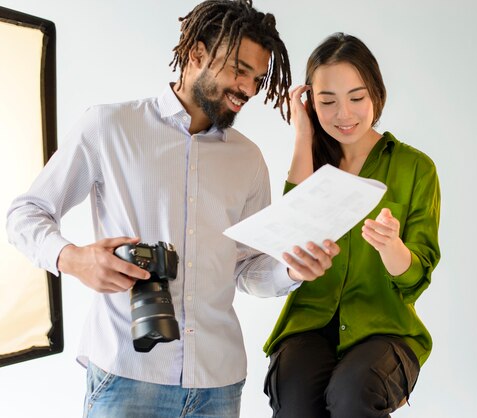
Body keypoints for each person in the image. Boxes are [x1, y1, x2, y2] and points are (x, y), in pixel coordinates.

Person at [5, 1, 339, 417]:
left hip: (219, 384)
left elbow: (247, 269)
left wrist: (291, 270)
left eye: (256, 78)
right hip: (128, 375)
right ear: (196, 53)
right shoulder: (109, 127)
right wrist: (72, 258)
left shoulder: (248, 159)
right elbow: (25, 213)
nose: (249, 90)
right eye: (239, 70)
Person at [262, 33, 441, 418]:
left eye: (357, 98)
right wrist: (303, 134)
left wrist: (393, 247)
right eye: (328, 102)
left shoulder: (415, 168)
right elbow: (291, 239)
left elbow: (416, 278)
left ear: (376, 93)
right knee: (295, 402)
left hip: (385, 328)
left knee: (352, 393)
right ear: (312, 103)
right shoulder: (313, 163)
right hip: (309, 324)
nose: (344, 114)